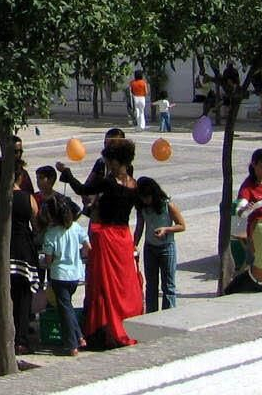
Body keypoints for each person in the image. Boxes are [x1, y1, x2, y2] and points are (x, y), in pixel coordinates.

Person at [57, 138, 144, 350]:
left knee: (103, 285)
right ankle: (127, 322)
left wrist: (66, 173)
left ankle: (106, 329)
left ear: (115, 161)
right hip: (124, 237)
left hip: (106, 236)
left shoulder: (108, 182)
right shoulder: (134, 184)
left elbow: (82, 190)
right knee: (124, 284)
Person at [0, 182, 40, 353]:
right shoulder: (28, 198)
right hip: (22, 250)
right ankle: (21, 340)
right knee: (23, 297)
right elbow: (35, 224)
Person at [39, 191, 87, 356]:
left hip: (59, 275)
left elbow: (49, 259)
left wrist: (43, 261)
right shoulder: (76, 228)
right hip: (75, 274)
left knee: (64, 310)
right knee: (68, 307)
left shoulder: (51, 234)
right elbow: (88, 247)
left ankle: (72, 344)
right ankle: (80, 336)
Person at [133, 177, 185, 312]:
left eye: (147, 197)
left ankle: (169, 314)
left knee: (168, 285)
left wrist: (166, 229)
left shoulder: (167, 205)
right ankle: (152, 313)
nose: (145, 200)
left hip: (167, 248)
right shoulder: (142, 207)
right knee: (151, 285)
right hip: (150, 247)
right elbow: (140, 227)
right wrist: (134, 244)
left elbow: (182, 225)